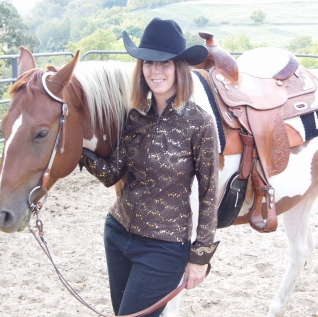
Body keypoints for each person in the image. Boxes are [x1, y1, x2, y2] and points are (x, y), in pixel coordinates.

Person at [79, 17, 219, 317]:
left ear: (179, 68)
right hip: (117, 233)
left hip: (164, 247)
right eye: (148, 63)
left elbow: (209, 194)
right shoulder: (135, 116)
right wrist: (78, 150)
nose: (155, 70)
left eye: (165, 63)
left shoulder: (199, 123)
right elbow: (112, 173)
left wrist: (200, 257)